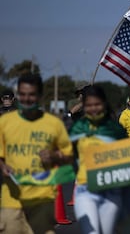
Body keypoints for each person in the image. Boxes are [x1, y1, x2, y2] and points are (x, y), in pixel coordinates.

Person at [0, 73, 73, 234]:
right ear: (18, 96)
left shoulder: (53, 124)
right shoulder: (5, 122)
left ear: (39, 96)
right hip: (12, 201)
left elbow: (69, 158)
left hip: (42, 200)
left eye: (32, 94)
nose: (27, 99)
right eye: (23, 94)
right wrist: (3, 166)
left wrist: (54, 156)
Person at [70, 86, 130, 234]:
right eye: (89, 105)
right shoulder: (78, 129)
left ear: (104, 104)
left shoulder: (115, 129)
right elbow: (68, 155)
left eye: (97, 104)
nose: (93, 108)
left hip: (111, 191)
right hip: (86, 189)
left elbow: (126, 155)